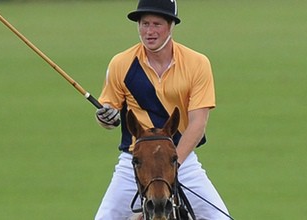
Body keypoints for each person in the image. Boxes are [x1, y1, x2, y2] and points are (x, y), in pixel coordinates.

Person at [94, 0, 230, 219]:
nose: (149, 31)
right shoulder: (121, 63)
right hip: (135, 161)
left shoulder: (197, 63)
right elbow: (109, 110)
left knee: (220, 217)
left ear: (171, 26)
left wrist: (172, 164)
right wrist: (104, 117)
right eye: (144, 24)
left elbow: (198, 124)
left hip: (179, 158)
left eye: (156, 24)